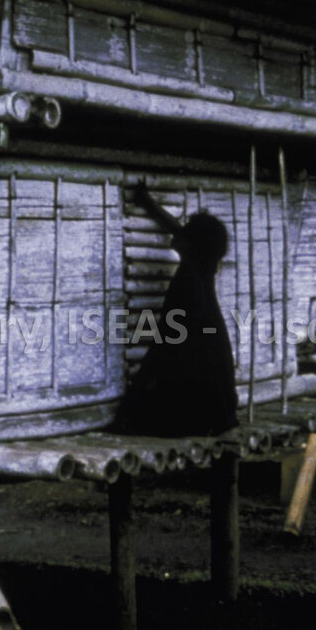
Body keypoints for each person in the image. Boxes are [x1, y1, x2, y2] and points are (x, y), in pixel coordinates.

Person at [111, 180, 239, 438]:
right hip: (214, 367)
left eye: (183, 235)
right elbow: (180, 230)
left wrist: (136, 391)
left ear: (190, 244)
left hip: (196, 366)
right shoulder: (204, 262)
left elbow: (165, 339)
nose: (175, 236)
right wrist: (150, 205)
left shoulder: (187, 280)